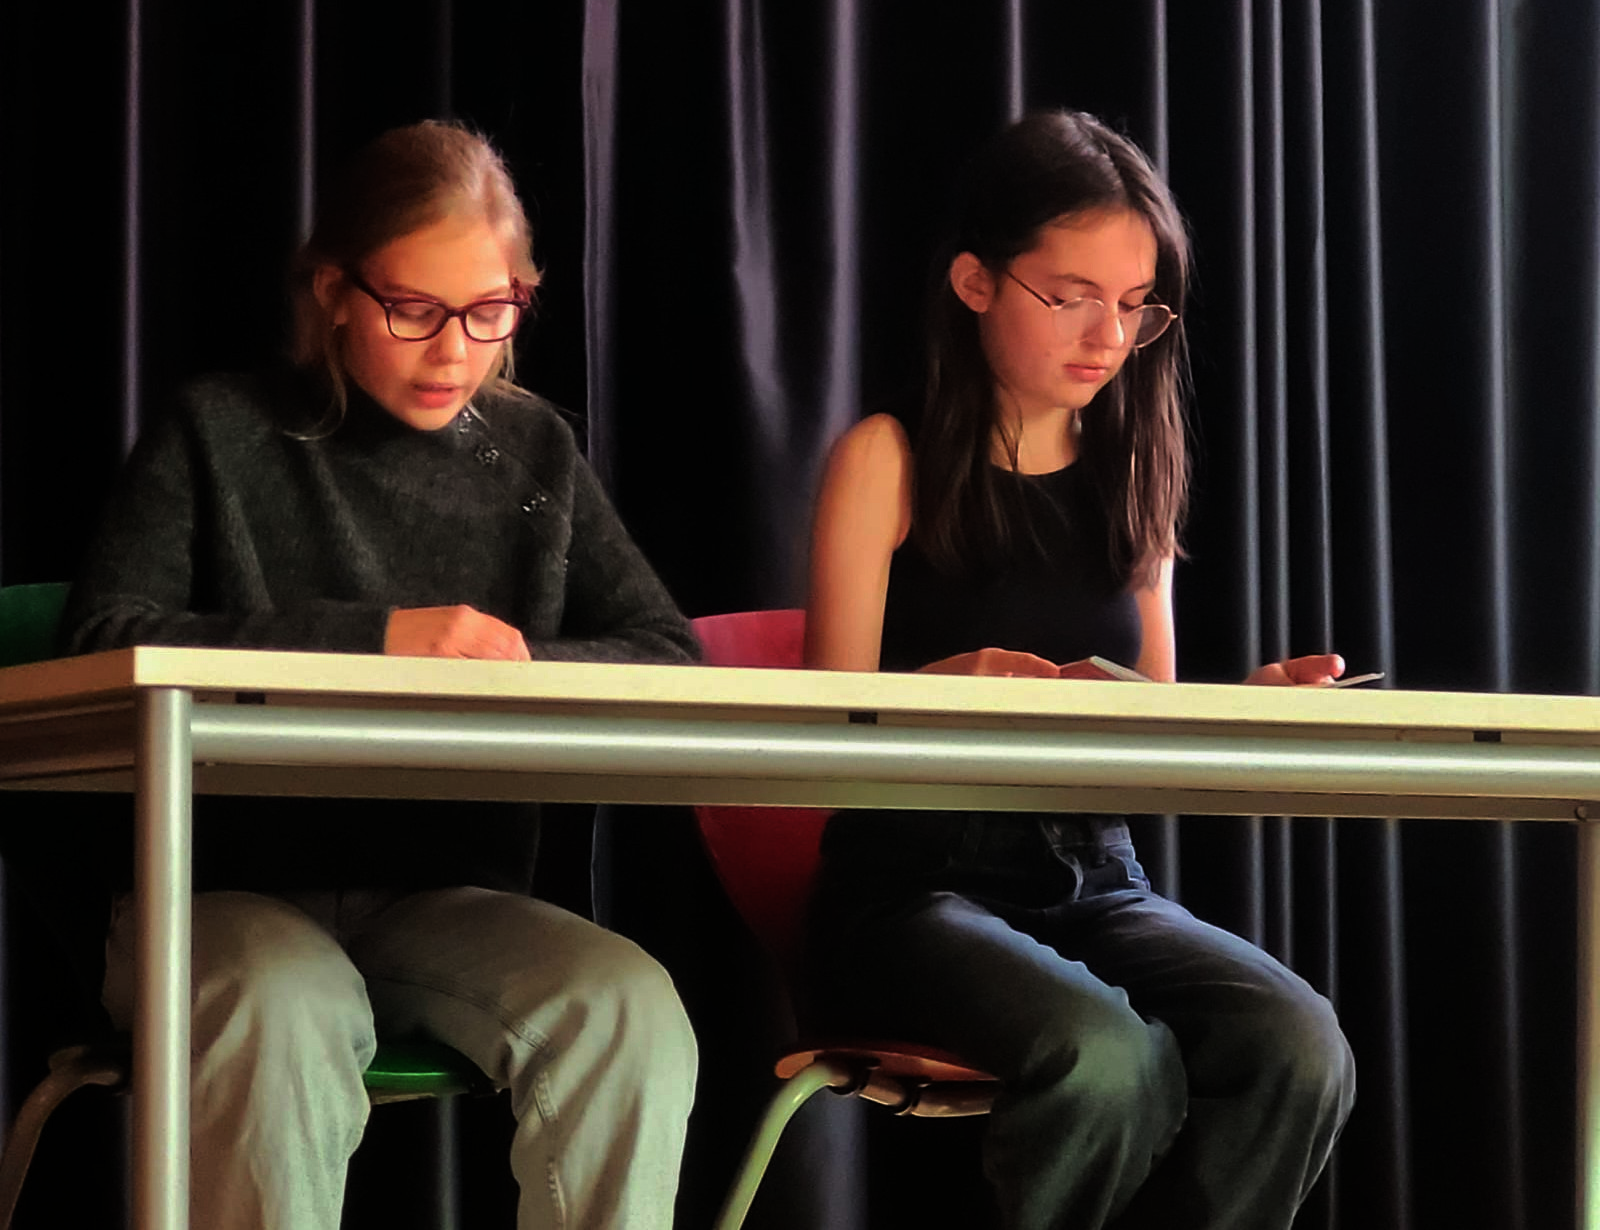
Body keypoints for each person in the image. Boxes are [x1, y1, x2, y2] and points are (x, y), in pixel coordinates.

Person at [60, 120, 699, 1230]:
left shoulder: (528, 454)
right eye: (415, 310)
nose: (455, 351)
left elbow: (665, 651)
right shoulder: (220, 431)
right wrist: (376, 638)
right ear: (335, 293)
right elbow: (106, 639)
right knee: (283, 1003)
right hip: (215, 898)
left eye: (491, 311)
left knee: (627, 1007)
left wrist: (509, 660)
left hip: (443, 897)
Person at [802, 110, 1356, 1230]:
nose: (1109, 333)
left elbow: (1146, 731)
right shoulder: (885, 458)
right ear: (975, 282)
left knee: (1300, 1047)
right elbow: (814, 734)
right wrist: (942, 687)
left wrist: (1238, 711)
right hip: (910, 886)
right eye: (1071, 296)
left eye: (1136, 302)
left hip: (1095, 877)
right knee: (1106, 1060)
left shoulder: (1133, 470)